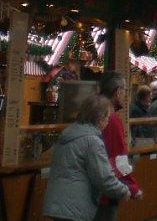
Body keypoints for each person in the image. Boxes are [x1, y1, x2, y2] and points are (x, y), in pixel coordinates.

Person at [43, 94, 131, 221]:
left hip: (58, 202)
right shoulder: (92, 141)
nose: (107, 121)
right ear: (100, 118)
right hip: (75, 205)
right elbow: (103, 177)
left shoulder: (69, 132)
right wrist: (123, 191)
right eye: (107, 117)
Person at [95, 71, 142, 221]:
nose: (124, 95)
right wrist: (133, 188)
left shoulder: (90, 111)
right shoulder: (111, 119)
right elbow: (118, 160)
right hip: (104, 190)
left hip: (86, 189)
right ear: (117, 92)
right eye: (124, 91)